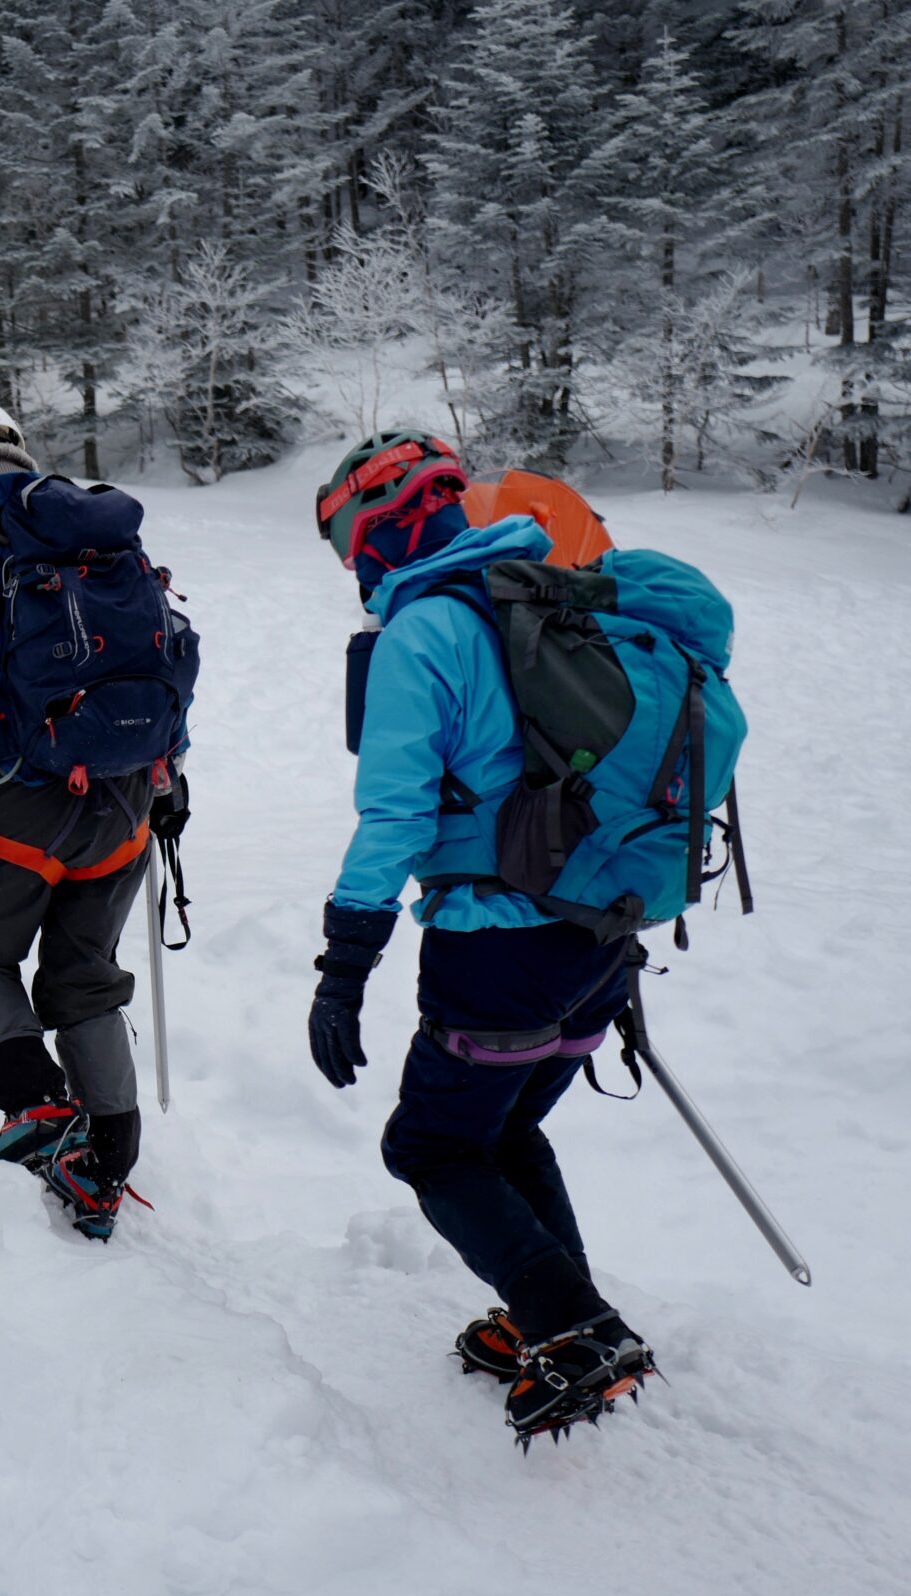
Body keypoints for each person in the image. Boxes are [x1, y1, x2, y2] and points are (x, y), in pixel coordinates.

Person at [306, 430, 741, 1444]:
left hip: (494, 948)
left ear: (379, 527)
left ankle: (576, 1330)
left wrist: (343, 964)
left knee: (432, 1148)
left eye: (348, 541)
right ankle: (549, 1317)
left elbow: (396, 818)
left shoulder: (428, 633)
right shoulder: (548, 599)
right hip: (598, 944)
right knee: (503, 1131)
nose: (351, 568)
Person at [0, 401, 197, 1240]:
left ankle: (37, 1109)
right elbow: (162, 657)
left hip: (23, 804)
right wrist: (171, 779)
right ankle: (106, 1157)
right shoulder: (104, 539)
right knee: (84, 973)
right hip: (129, 799)